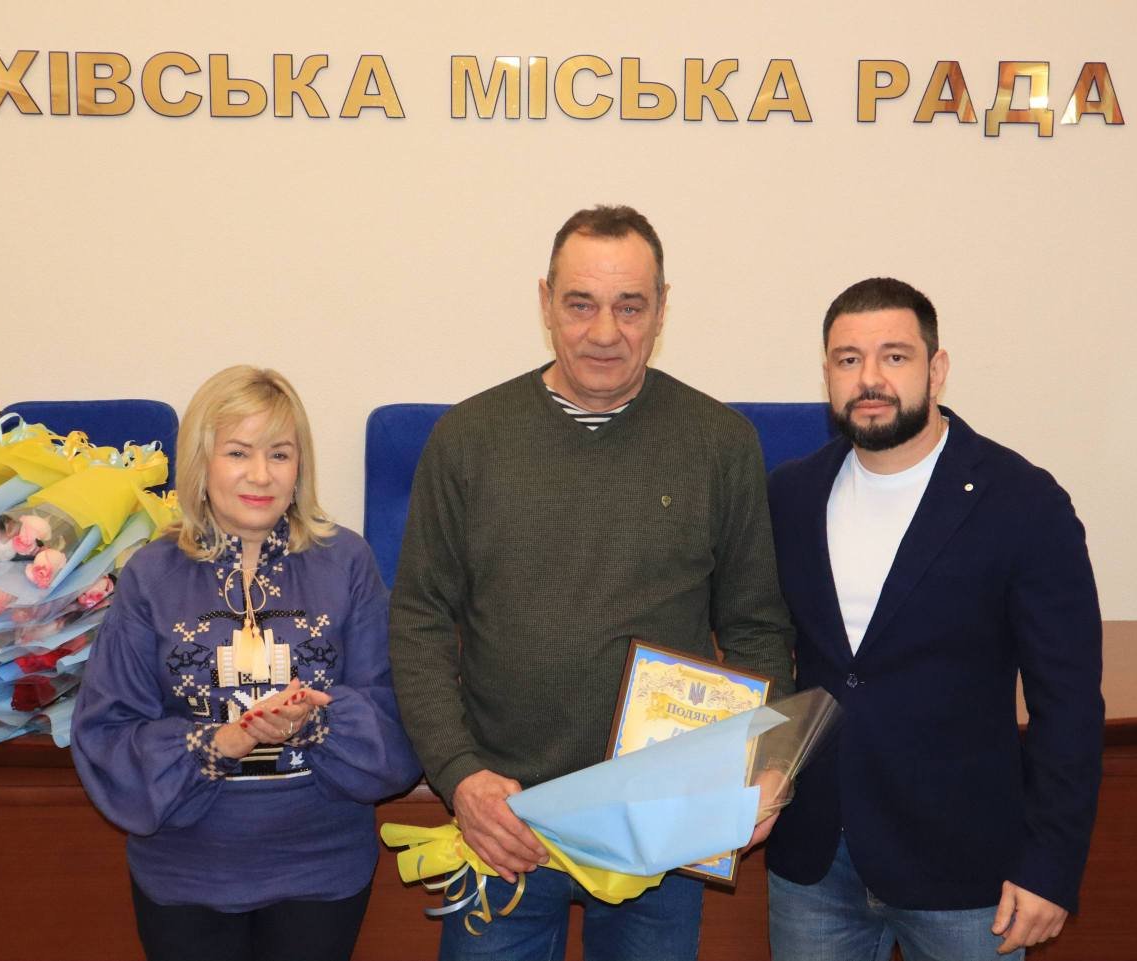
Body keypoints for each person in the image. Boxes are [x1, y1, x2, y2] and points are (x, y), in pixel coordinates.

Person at [389, 204, 794, 961]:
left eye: (629, 306)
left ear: (662, 309)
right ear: (546, 302)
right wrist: (459, 775)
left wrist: (759, 765)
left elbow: (757, 627)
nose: (604, 332)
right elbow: (418, 620)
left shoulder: (721, 444)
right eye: (580, 304)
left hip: (661, 827)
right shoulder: (467, 440)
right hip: (505, 821)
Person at [763, 277, 1103, 960]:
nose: (870, 378)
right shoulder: (790, 494)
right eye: (849, 359)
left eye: (895, 356)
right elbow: (767, 647)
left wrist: (1051, 864)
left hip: (968, 870)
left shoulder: (1023, 502)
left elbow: (1067, 702)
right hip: (814, 866)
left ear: (936, 368)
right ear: (827, 374)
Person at [71, 366, 420, 961]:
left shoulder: (347, 561)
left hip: (321, 869)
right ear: (201, 462)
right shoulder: (151, 573)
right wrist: (221, 743)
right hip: (185, 874)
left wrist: (315, 723)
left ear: (299, 466)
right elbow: (107, 732)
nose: (261, 474)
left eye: (279, 454)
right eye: (238, 452)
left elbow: (395, 715)